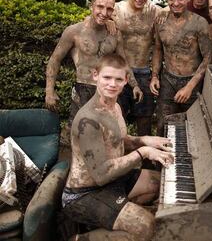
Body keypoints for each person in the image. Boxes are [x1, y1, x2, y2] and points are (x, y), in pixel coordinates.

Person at [61, 54, 173, 240]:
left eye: (118, 79)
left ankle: (115, 217)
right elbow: (101, 174)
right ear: (95, 75)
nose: (112, 84)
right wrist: (143, 152)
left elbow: (119, 140)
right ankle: (81, 238)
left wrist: (145, 140)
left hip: (113, 181)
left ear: (126, 80)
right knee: (148, 226)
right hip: (84, 195)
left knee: (158, 182)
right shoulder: (88, 120)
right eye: (107, 77)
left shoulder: (115, 107)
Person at [45, 0, 142, 123]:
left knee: (109, 135)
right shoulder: (74, 31)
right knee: (80, 133)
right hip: (83, 89)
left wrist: (134, 85)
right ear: (91, 6)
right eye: (100, 7)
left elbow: (122, 62)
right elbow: (55, 59)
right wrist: (49, 91)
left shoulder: (114, 33)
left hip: (108, 90)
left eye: (109, 9)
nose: (104, 13)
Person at [150, 0, 212, 136]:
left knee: (194, 128)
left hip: (192, 81)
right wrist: (154, 76)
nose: (176, 3)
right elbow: (158, 49)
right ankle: (161, 160)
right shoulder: (161, 21)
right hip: (167, 80)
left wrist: (190, 86)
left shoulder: (199, 23)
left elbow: (208, 58)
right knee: (163, 125)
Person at [112, 0, 160, 136]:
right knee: (116, 119)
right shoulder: (116, 9)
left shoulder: (155, 12)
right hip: (119, 71)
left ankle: (146, 160)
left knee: (145, 120)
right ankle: (118, 159)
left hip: (143, 72)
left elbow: (179, 14)